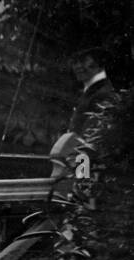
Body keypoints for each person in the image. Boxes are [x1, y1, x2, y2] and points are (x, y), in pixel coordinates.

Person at [49, 49, 118, 179]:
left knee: (76, 190)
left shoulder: (102, 94)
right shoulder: (90, 91)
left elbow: (92, 139)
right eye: (76, 62)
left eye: (84, 63)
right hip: (77, 159)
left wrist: (80, 172)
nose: (78, 67)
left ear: (99, 67)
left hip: (83, 160)